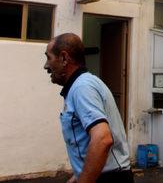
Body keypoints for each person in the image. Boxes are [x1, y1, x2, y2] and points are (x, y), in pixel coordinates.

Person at [44, 33, 133, 183]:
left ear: (64, 58)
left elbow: (102, 139)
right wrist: (78, 175)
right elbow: (86, 142)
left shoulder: (82, 88)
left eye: (48, 57)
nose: (46, 65)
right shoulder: (80, 86)